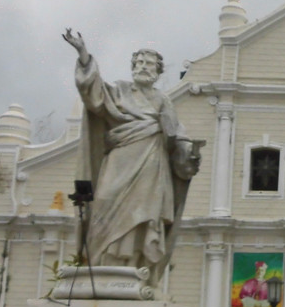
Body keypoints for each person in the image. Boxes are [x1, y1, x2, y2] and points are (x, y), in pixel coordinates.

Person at [63, 29, 201, 287]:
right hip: (119, 161)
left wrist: (189, 155)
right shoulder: (119, 92)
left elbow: (177, 135)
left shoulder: (163, 101)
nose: (143, 67)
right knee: (103, 203)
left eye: (149, 64)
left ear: (158, 71)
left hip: (151, 169)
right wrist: (83, 55)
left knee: (144, 218)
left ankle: (133, 267)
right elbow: (93, 94)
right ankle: (100, 265)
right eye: (139, 63)